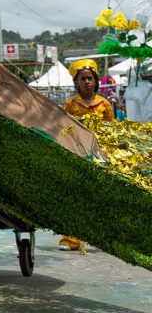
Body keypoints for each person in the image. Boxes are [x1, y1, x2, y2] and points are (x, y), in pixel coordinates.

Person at [59, 58, 114, 251]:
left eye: (90, 78)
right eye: (83, 79)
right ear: (76, 82)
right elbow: (64, 128)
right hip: (77, 154)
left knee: (99, 196)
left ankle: (102, 237)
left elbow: (112, 131)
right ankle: (71, 239)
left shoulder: (105, 104)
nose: (87, 82)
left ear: (96, 81)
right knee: (75, 195)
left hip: (98, 155)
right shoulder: (70, 104)